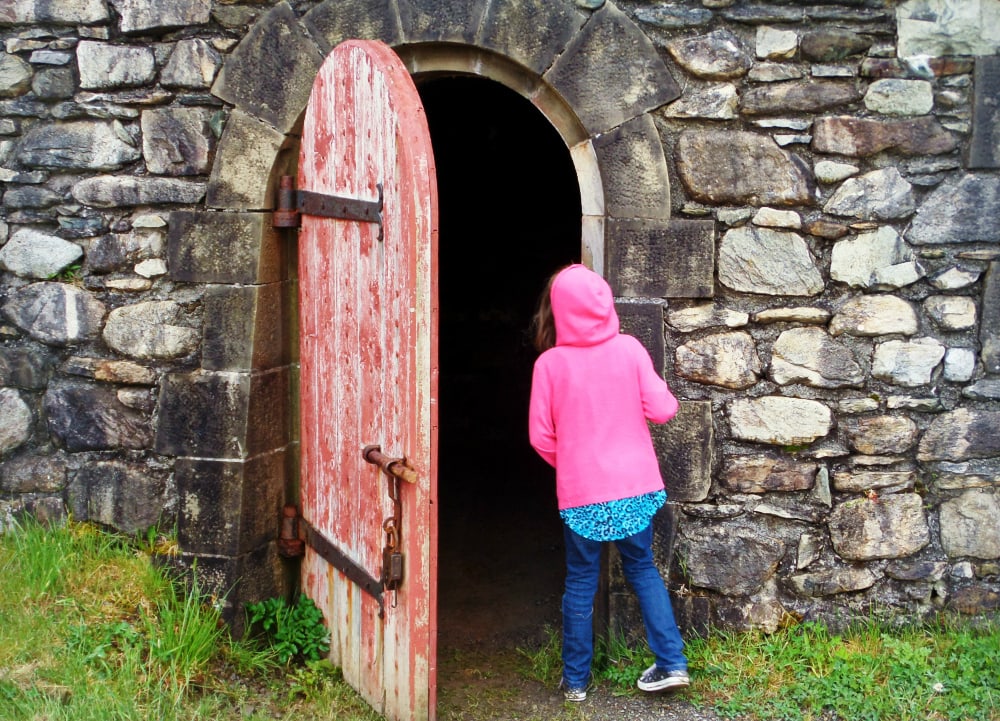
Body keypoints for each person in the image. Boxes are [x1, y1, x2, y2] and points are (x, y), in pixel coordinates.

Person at [527, 264, 689, 702]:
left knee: (580, 580)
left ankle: (576, 682)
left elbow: (540, 437)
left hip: (581, 493)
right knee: (642, 569)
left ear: (559, 310)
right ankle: (672, 662)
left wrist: (575, 463)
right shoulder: (631, 350)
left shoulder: (549, 364)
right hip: (636, 487)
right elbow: (663, 410)